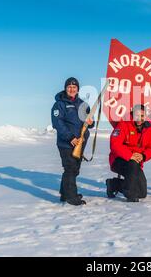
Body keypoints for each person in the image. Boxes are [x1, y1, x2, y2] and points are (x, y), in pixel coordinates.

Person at [51, 77, 94, 206]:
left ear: (78, 89)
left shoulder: (82, 104)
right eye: (69, 87)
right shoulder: (59, 104)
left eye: (74, 87)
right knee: (70, 168)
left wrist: (91, 123)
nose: (71, 89)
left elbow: (88, 122)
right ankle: (71, 197)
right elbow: (57, 123)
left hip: (80, 143)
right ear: (65, 88)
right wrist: (70, 137)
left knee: (74, 168)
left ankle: (65, 194)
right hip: (66, 142)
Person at [106, 105, 151, 202]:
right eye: (136, 115)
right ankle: (130, 195)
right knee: (133, 166)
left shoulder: (149, 128)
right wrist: (130, 155)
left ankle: (114, 184)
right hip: (119, 160)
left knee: (142, 193)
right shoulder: (123, 124)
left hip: (136, 163)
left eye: (142, 116)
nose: (139, 119)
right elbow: (115, 144)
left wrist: (143, 156)